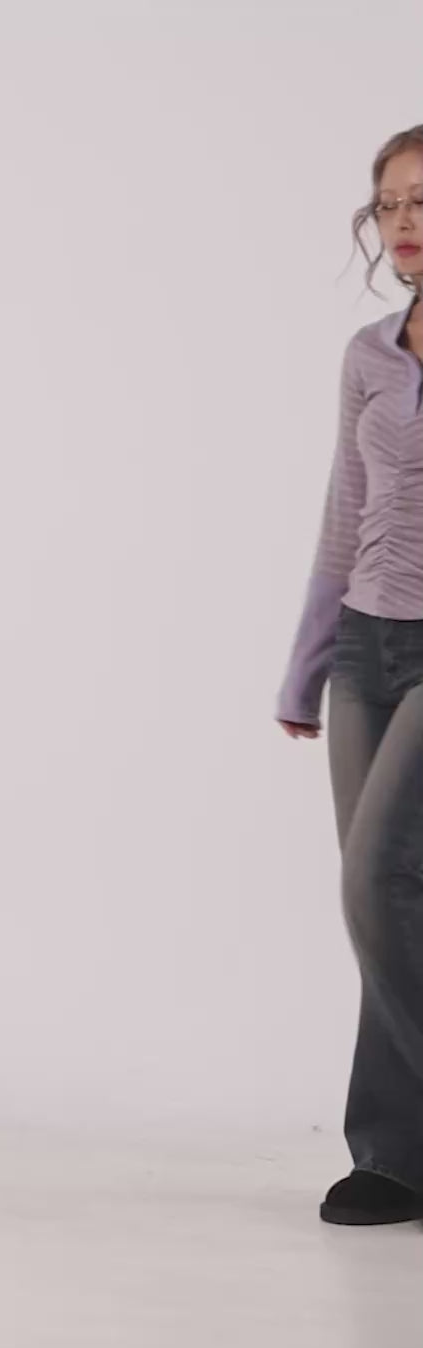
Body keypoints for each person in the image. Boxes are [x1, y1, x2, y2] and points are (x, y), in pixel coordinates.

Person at [276, 124, 423, 1226]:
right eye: (390, 204)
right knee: (389, 906)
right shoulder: (369, 353)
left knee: (375, 883)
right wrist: (307, 665)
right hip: (366, 652)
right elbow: (345, 512)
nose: (405, 222)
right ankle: (394, 1155)